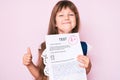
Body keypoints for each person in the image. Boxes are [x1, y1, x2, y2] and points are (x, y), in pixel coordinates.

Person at [23, 0, 92, 80]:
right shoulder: (45, 46)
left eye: (71, 14)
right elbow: (40, 76)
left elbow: (82, 73)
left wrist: (88, 66)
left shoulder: (82, 46)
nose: (66, 18)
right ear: (55, 22)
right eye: (61, 15)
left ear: (76, 20)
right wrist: (29, 64)